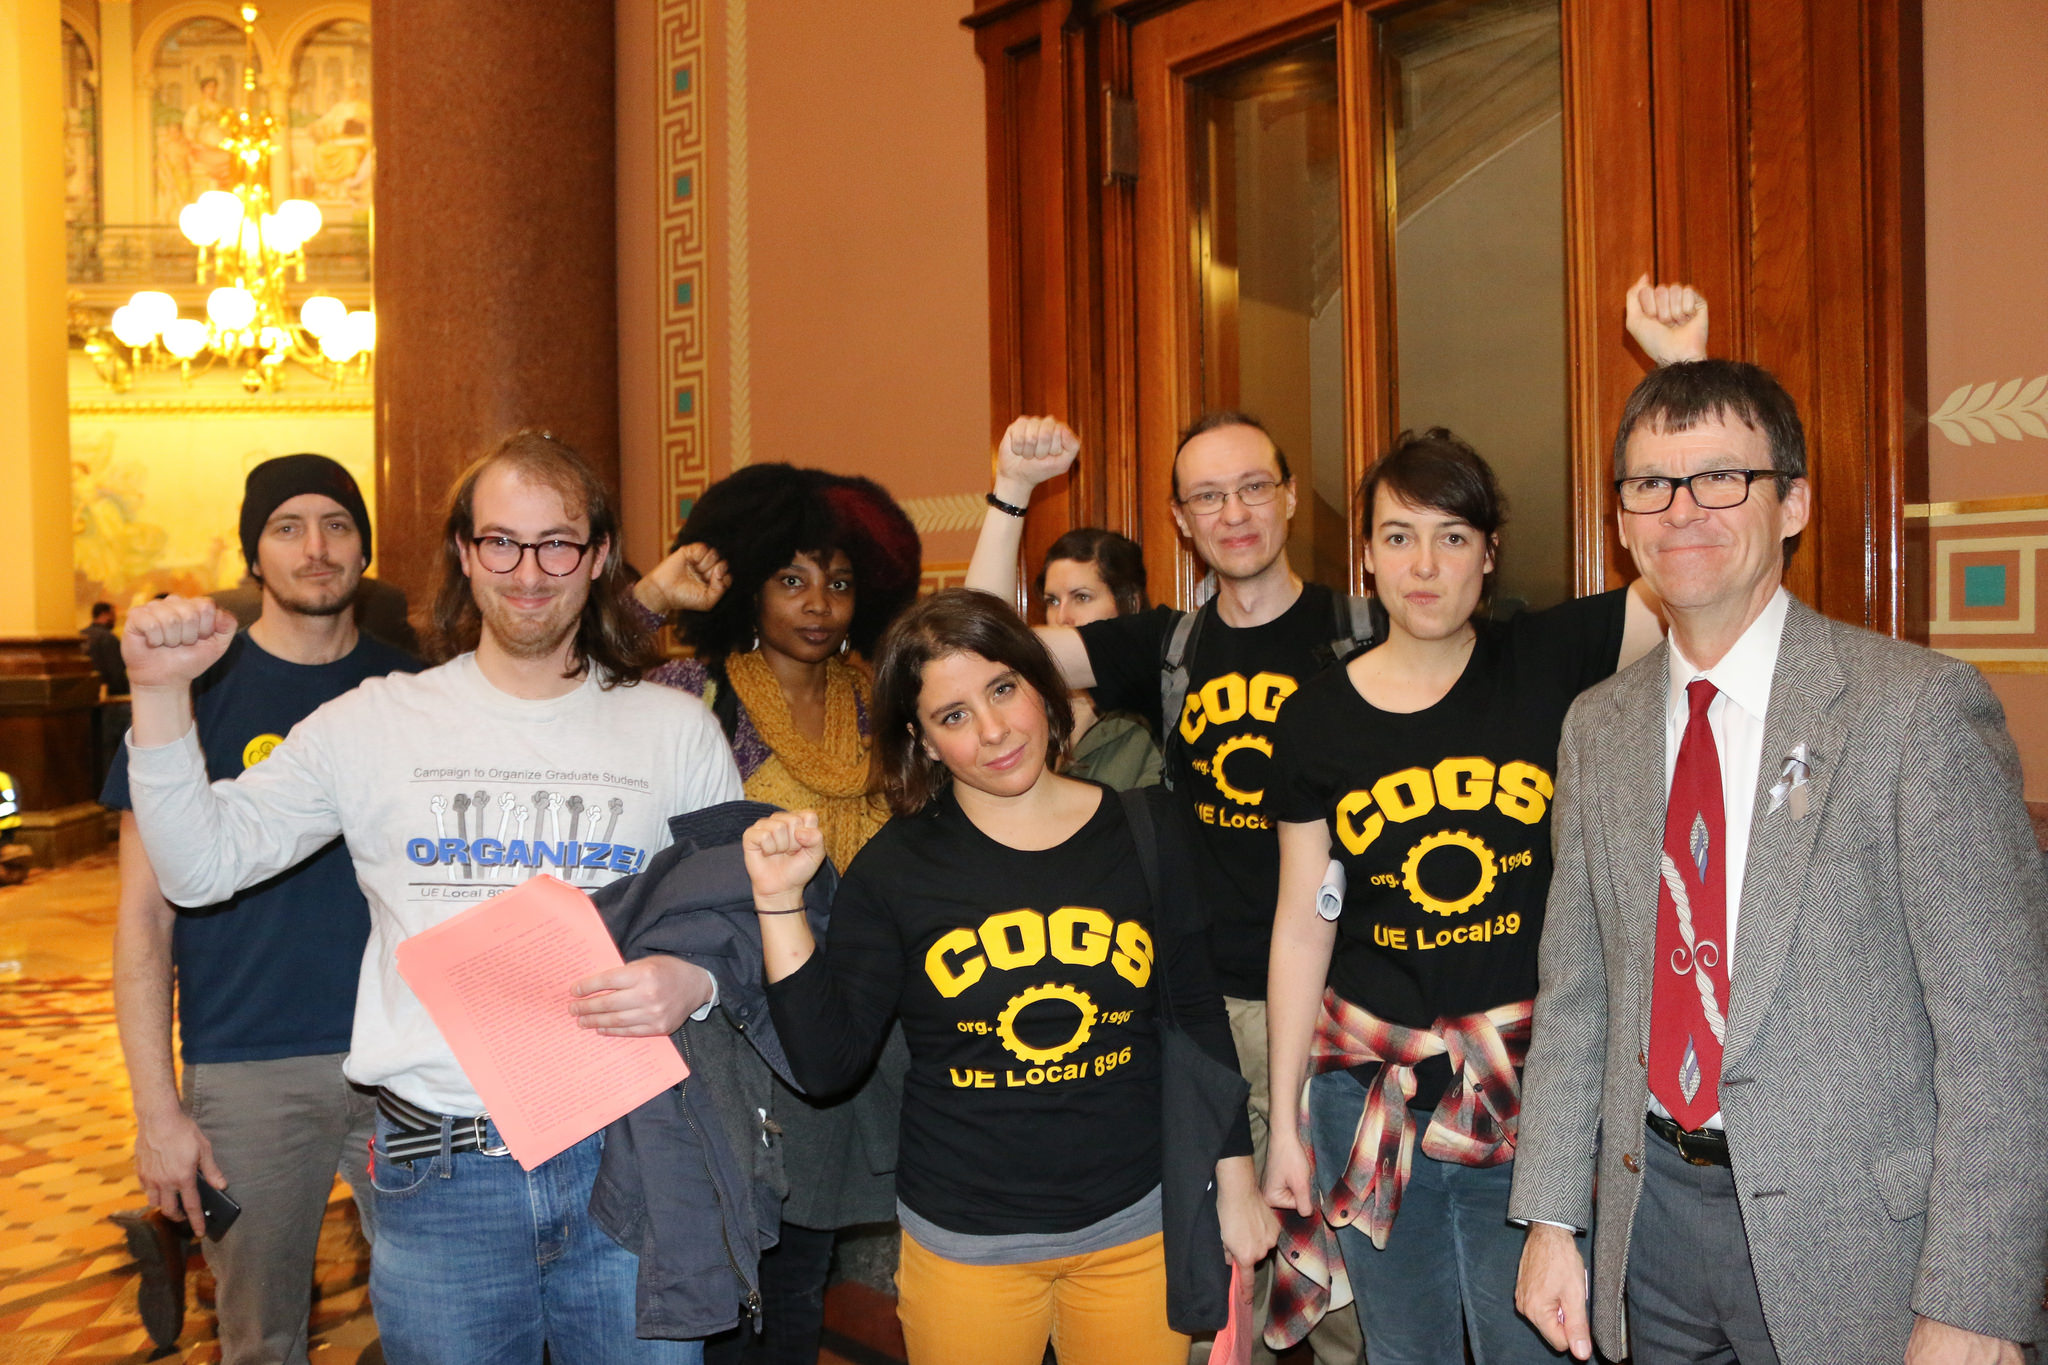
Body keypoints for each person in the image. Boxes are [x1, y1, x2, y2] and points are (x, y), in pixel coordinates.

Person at [118, 431, 744, 1365]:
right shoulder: (376, 720)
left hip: (627, 1155)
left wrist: (691, 979)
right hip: (439, 1175)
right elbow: (201, 868)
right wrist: (160, 697)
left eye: (558, 543)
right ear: (464, 552)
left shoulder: (672, 727)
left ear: (601, 555)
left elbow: (732, 915)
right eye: (501, 542)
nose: (529, 572)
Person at [1508, 360, 2048, 1365]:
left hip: (1860, 1252)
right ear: (1621, 520)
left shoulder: (1916, 713)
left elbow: (2005, 1035)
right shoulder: (1595, 728)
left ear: (1790, 501)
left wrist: (1976, 1300)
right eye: (1649, 485)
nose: (1681, 511)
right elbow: (1577, 991)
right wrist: (1548, 1217)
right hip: (1651, 1225)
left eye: (1721, 479)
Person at [738, 590, 1277, 1365]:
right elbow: (827, 1065)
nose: (993, 731)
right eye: (952, 715)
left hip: (1136, 1228)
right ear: (921, 740)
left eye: (1002, 689)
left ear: (1040, 684)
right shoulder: (895, 869)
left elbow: (1196, 1017)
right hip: (966, 1246)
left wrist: (1238, 1184)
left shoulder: (1148, 828)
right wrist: (778, 902)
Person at [1260, 432, 1660, 1363]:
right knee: (1405, 1351)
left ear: (1490, 551)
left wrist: (1684, 376)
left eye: (1451, 537)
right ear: (1364, 554)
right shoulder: (1314, 715)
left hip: (1533, 1096)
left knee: (1542, 1347)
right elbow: (1300, 922)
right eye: (1398, 537)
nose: (1425, 566)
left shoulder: (1546, 659)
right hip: (1369, 1093)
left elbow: (1685, 574)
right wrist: (1282, 1123)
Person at [104, 454, 417, 1360]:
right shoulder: (190, 688)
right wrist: (158, 1114)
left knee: (441, 1311)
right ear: (254, 553)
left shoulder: (418, 690)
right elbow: (142, 922)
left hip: (403, 1063)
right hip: (245, 1069)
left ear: (365, 547)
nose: (316, 549)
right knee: (260, 1334)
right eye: (288, 527)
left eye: (338, 524)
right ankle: (174, 1244)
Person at [633, 463, 922, 1365]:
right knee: (726, 1259)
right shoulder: (694, 693)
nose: (819, 604)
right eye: (792, 578)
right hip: (733, 1024)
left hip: (851, 1019)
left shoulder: (882, 702)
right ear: (748, 584)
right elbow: (570, 671)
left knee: (802, 1270)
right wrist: (649, 595)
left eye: (838, 581)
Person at [1039, 527, 1163, 790]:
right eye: (1052, 601)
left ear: (1131, 603)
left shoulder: (1158, 708)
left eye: (1082, 597)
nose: (1062, 618)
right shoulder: (1034, 705)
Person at [83, 601, 129, 696]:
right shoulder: (108, 638)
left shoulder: (81, 635)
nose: (115, 619)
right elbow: (116, 670)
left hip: (86, 692)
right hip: (108, 694)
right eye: (113, 615)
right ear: (105, 614)